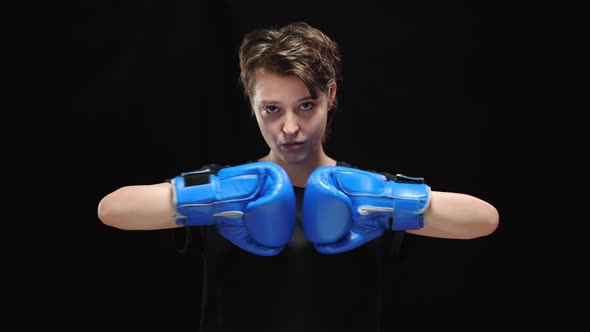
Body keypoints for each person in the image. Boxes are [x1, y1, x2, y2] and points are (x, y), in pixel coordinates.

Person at [97, 22, 499, 332]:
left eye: (306, 105)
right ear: (252, 105)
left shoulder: (373, 194)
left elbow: (483, 219)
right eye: (272, 109)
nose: (289, 127)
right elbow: (111, 210)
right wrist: (212, 197)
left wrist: (393, 198)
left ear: (331, 96)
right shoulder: (220, 189)